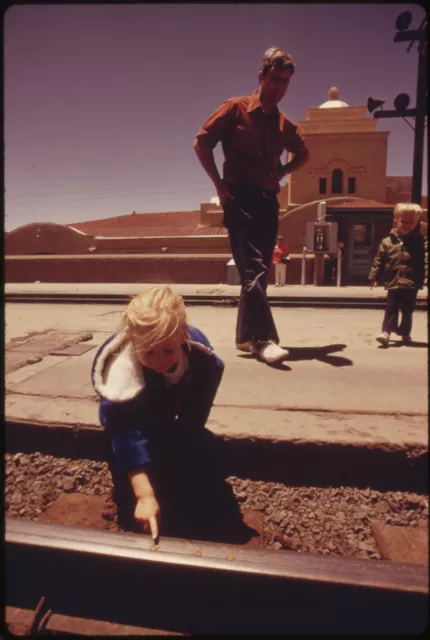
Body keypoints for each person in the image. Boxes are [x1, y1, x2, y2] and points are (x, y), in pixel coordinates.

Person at [193, 46, 309, 364]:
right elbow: (201, 141)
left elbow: (304, 153)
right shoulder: (235, 109)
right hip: (238, 197)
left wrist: (283, 171)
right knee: (253, 268)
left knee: (258, 270)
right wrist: (218, 183)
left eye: (285, 82)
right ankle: (265, 340)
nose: (279, 88)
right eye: (275, 79)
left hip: (267, 202)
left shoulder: (284, 124)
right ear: (261, 77)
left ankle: (245, 336)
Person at [91, 286, 225, 540]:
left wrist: (186, 435)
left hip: (169, 402)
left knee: (192, 446)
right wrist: (144, 494)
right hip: (137, 409)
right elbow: (124, 430)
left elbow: (198, 405)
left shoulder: (201, 358)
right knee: (128, 448)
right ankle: (132, 489)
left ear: (184, 336)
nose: (159, 361)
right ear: (132, 342)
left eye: (168, 350)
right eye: (148, 352)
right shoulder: (119, 375)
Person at [368, 203, 427, 346]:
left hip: (411, 282)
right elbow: (379, 260)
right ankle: (386, 332)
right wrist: (374, 277)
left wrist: (426, 275)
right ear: (396, 220)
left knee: (408, 310)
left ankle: (405, 334)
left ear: (417, 222)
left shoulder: (420, 241)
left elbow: (426, 259)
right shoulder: (387, 242)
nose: (407, 225)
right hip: (393, 280)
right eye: (403, 221)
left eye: (411, 222)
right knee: (391, 307)